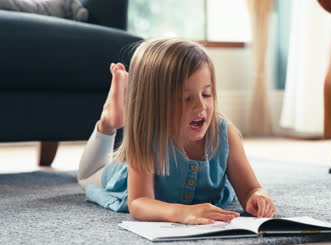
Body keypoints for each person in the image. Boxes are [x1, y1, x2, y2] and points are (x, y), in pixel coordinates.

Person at [77, 38, 277, 224]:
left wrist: (258, 196)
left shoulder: (225, 135)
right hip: (122, 175)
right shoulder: (148, 138)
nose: (201, 107)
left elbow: (250, 188)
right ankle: (108, 121)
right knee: (86, 177)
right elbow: (138, 202)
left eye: (206, 94)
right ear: (154, 104)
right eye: (185, 98)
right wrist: (181, 212)